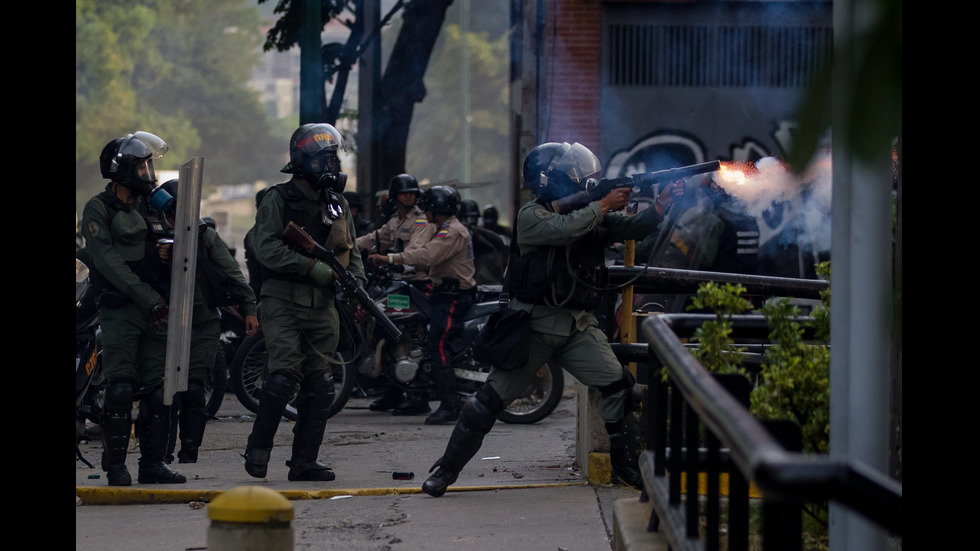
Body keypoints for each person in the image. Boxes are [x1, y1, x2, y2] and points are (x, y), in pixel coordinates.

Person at [421, 141, 676, 497]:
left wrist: (662, 206)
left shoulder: (589, 212)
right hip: (534, 326)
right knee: (487, 404)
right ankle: (445, 471)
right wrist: (602, 204)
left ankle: (623, 466)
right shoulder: (531, 215)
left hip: (577, 326)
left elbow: (630, 228)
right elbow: (563, 229)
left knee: (618, 385)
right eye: (580, 177)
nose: (587, 182)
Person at [243, 123, 365, 482]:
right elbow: (264, 247)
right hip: (283, 298)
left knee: (321, 384)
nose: (330, 164)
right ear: (301, 161)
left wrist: (356, 283)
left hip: (322, 306)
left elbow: (351, 251)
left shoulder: (338, 203)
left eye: (333, 157)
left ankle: (304, 461)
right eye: (321, 158)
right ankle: (258, 448)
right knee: (283, 376)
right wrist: (312, 267)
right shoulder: (278, 199)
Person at [80, 131, 186, 486]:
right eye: (141, 165)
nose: (147, 172)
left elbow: (174, 238)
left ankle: (152, 464)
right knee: (121, 388)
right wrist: (147, 296)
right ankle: (115, 466)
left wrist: (167, 251)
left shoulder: (150, 206)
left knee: (158, 390)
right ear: (123, 169)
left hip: (156, 310)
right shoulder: (99, 208)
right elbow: (108, 262)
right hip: (122, 309)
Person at [156, 179, 259, 464]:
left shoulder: (204, 236)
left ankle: (188, 453)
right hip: (161, 324)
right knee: (164, 393)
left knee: (192, 390)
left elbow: (231, 272)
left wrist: (249, 306)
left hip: (202, 322)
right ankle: (159, 455)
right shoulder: (151, 235)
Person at [368, 186, 476, 425]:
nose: (424, 213)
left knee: (437, 343)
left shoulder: (451, 232)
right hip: (442, 293)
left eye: (427, 209)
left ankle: (449, 405)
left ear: (437, 209)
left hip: (453, 297)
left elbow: (426, 255)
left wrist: (391, 259)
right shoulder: (443, 228)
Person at [356, 174, 437, 415]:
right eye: (404, 193)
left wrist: (393, 261)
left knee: (400, 329)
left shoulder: (421, 221)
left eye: (412, 192)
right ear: (395, 197)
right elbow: (375, 239)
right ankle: (392, 389)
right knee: (381, 324)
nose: (409, 196)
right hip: (401, 284)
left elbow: (415, 252)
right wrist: (347, 245)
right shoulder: (396, 221)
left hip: (420, 286)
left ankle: (418, 394)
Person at [458, 200, 508, 286]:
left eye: (473, 218)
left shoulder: (481, 234)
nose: (471, 221)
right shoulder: (480, 233)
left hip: (482, 279)